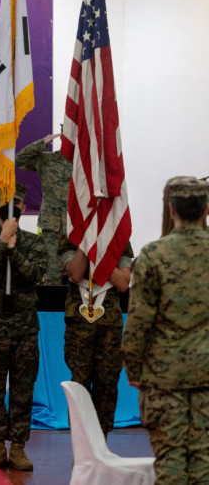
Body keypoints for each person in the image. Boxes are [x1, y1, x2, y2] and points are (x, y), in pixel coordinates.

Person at [123, 176, 209, 484]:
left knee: (170, 460)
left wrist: (134, 369)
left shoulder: (153, 255)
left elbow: (137, 323)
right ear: (206, 209)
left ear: (171, 209)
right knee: (205, 460)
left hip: (163, 379)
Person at [0, 184, 47, 471]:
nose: (10, 209)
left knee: (22, 390)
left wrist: (14, 249)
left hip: (24, 328)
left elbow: (35, 275)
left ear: (24, 208)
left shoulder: (35, 242)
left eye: (16, 204)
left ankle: (18, 447)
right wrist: (2, 240)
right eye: (5, 204)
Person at [60, 223, 133, 439]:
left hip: (109, 324)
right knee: (80, 385)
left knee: (107, 385)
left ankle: (101, 444)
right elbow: (75, 273)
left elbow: (122, 283)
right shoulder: (72, 235)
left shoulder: (120, 237)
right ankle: (82, 448)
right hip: (79, 323)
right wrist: (88, 244)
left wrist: (102, 253)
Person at [15, 132, 72, 284]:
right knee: (53, 274)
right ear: (61, 138)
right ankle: (53, 308)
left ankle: (76, 308)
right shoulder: (47, 160)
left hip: (76, 226)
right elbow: (19, 159)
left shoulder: (84, 164)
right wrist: (42, 143)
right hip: (51, 226)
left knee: (78, 275)